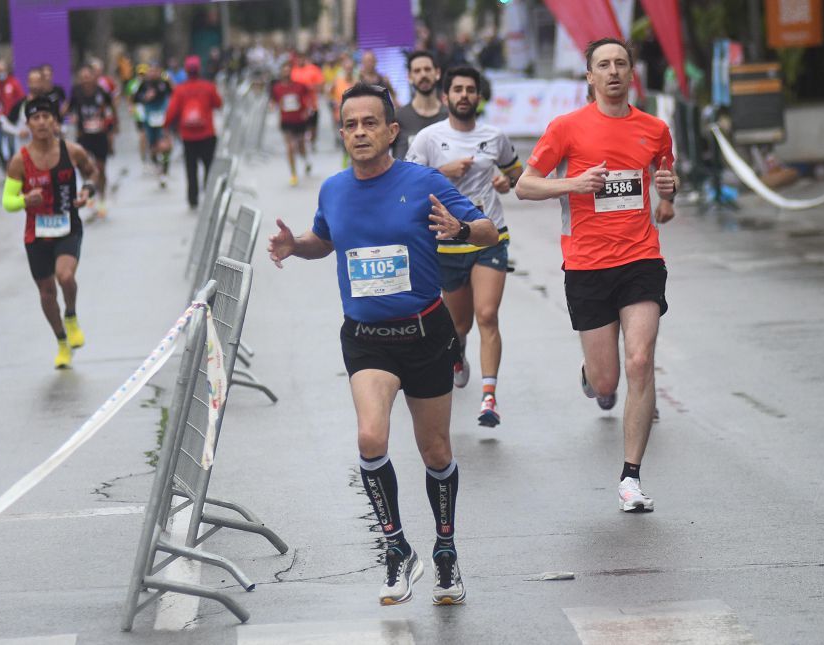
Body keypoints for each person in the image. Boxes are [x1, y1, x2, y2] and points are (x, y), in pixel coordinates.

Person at [267, 83, 497, 606]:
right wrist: (295, 245)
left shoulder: (422, 182)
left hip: (425, 334)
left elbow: (486, 230)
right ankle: (396, 548)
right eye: (350, 125)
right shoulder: (333, 189)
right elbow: (324, 239)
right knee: (371, 439)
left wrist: (459, 225)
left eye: (370, 123)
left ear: (392, 131)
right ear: (341, 131)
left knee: (434, 450)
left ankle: (444, 551)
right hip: (367, 339)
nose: (360, 133)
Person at [514, 37, 678, 512]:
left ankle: (630, 477)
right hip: (586, 265)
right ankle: (592, 377)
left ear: (631, 74)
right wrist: (575, 183)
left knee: (641, 361)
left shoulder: (655, 128)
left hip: (641, 258)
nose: (612, 72)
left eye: (620, 64)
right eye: (602, 65)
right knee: (607, 382)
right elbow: (525, 185)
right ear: (589, 76)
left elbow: (665, 178)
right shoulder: (566, 128)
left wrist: (668, 193)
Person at [406, 66, 523, 427]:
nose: (463, 95)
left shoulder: (495, 137)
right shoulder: (427, 138)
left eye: (470, 90)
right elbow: (405, 186)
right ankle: (457, 355)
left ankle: (489, 398)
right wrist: (444, 171)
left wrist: (506, 181)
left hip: (489, 236)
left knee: (487, 315)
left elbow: (519, 174)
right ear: (446, 97)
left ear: (479, 96)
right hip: (446, 243)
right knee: (460, 325)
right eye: (457, 89)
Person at [2, 97, 100, 369]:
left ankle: (71, 316)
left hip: (68, 225)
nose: (42, 123)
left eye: (47, 117)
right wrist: (23, 201)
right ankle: (61, 342)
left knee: (65, 275)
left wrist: (87, 192)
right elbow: (7, 201)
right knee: (46, 292)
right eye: (36, 118)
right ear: (28, 124)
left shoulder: (73, 151)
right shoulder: (18, 162)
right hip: (36, 233)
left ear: (55, 122)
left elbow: (92, 175)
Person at [164, 55, 223, 210]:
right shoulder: (208, 86)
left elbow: (172, 111)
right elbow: (218, 103)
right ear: (199, 69)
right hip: (207, 134)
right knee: (209, 166)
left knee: (191, 168)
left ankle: (193, 198)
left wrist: (165, 125)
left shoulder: (180, 89)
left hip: (188, 136)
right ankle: (210, 195)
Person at [68, 64, 117, 218]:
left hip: (100, 135)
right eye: (83, 78)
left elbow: (112, 107)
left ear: (94, 78)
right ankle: (90, 193)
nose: (86, 81)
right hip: (84, 136)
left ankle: (102, 197)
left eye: (88, 77)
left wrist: (112, 127)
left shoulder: (101, 92)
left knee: (101, 168)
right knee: (85, 167)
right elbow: (68, 109)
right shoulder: (76, 92)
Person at [392, 50, 447, 163]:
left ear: (437, 73)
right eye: (417, 71)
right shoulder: (397, 118)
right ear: (409, 77)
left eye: (427, 69)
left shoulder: (450, 117)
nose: (423, 75)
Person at [269, 61, 312, 186]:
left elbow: (309, 98)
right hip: (286, 121)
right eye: (284, 71)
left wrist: (307, 111)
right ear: (281, 72)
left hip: (299, 120)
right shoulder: (276, 88)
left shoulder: (299, 86)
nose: (286, 73)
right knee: (290, 147)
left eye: (288, 70)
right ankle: (293, 174)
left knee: (300, 146)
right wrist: (274, 106)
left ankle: (306, 160)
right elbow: (273, 102)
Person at [133, 64, 174, 187]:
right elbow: (135, 98)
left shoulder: (164, 83)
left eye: (155, 71)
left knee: (166, 145)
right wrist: (144, 97)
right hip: (149, 118)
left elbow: (174, 94)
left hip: (163, 118)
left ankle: (165, 170)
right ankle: (157, 166)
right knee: (153, 146)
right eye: (151, 71)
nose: (153, 74)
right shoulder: (144, 84)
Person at [1, 67, 46, 147]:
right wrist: (18, 132)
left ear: (42, 83)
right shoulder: (21, 104)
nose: (35, 85)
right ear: (28, 83)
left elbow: (57, 125)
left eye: (38, 82)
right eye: (33, 82)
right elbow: (5, 124)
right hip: (25, 150)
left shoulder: (48, 104)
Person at [290, 52, 325, 151]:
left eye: (302, 58)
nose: (300, 60)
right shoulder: (293, 71)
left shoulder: (313, 69)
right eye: (298, 58)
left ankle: (312, 142)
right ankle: (299, 145)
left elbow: (320, 85)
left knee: (313, 126)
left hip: (312, 104)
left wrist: (310, 87)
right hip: (298, 106)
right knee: (299, 127)